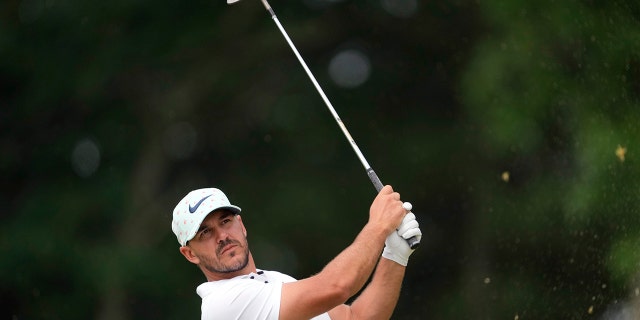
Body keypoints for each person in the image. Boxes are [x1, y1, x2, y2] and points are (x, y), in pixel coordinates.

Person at [172, 185, 422, 320]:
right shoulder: (224, 305)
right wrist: (378, 226)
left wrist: (395, 255)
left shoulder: (276, 282)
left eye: (225, 221)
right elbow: (336, 287)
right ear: (190, 254)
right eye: (205, 233)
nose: (222, 236)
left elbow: (357, 318)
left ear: (242, 226)